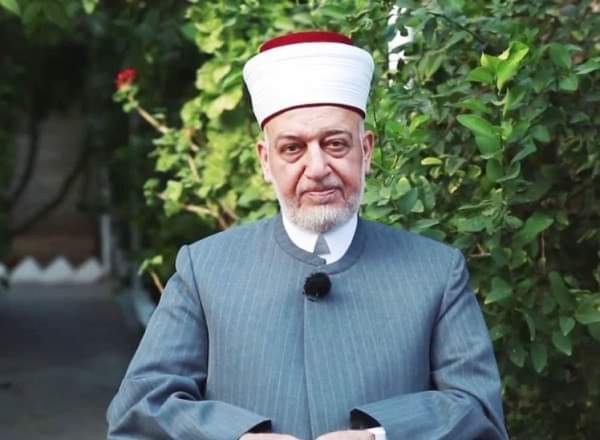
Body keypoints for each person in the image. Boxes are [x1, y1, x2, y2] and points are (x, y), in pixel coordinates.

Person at [107, 31, 508, 440]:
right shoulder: (205, 269)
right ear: (266, 161)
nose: (317, 168)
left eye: (335, 144)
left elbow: (479, 413)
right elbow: (142, 409)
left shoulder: (436, 271)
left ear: (366, 151)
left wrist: (380, 436)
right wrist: (237, 437)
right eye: (293, 148)